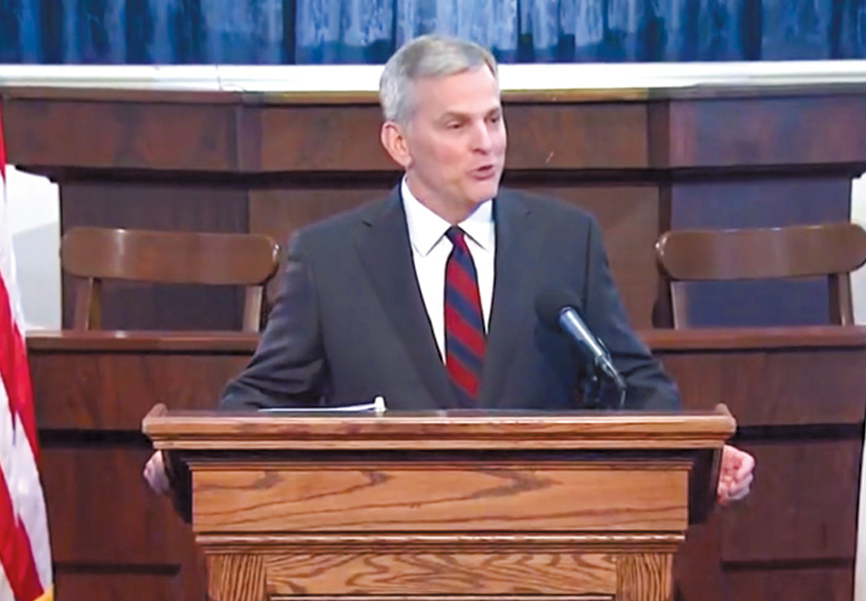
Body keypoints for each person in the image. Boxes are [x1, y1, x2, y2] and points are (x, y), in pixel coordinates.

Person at [145, 34, 754, 503]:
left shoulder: (567, 241)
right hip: (380, 551)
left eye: (493, 118)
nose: (486, 142)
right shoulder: (329, 258)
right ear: (399, 143)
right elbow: (259, 402)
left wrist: (700, 461)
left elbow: (635, 386)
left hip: (545, 543)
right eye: (456, 125)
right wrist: (188, 464)